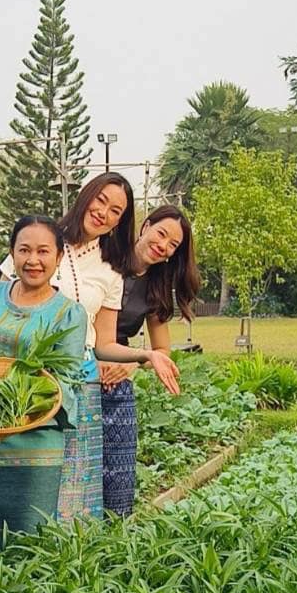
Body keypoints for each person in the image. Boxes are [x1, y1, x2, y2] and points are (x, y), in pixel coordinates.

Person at [0, 173, 135, 519]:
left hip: (77, 387)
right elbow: (2, 304)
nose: (104, 212)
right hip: (19, 381)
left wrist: (145, 357)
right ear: (86, 195)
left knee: (73, 484)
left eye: (116, 211)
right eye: (101, 200)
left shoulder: (111, 270)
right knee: (22, 477)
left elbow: (104, 343)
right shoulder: (40, 238)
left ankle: (63, 565)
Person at [0, 216, 87, 544]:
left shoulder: (69, 314)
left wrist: (18, 408)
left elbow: (66, 378)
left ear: (59, 257)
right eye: (24, 250)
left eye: (43, 251)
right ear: (12, 253)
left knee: (30, 536)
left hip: (37, 442)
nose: (33, 260)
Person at [99, 205, 200, 516]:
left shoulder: (156, 287)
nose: (164, 246)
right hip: (80, 360)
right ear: (145, 226)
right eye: (162, 234)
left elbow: (162, 349)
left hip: (119, 369)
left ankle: (117, 531)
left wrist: (131, 363)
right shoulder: (104, 259)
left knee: (118, 468)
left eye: (173, 246)